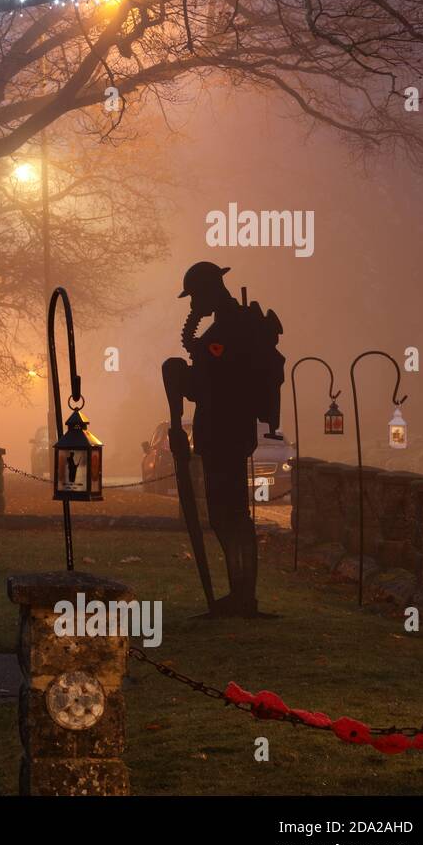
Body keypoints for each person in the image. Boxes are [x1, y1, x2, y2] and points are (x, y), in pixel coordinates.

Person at [164, 262, 284, 618]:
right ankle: (240, 594)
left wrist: (182, 377)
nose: (193, 304)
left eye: (196, 296)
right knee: (228, 514)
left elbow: (214, 384)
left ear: (207, 292)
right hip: (225, 429)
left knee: (228, 514)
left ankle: (242, 597)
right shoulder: (227, 326)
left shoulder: (227, 329)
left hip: (225, 430)